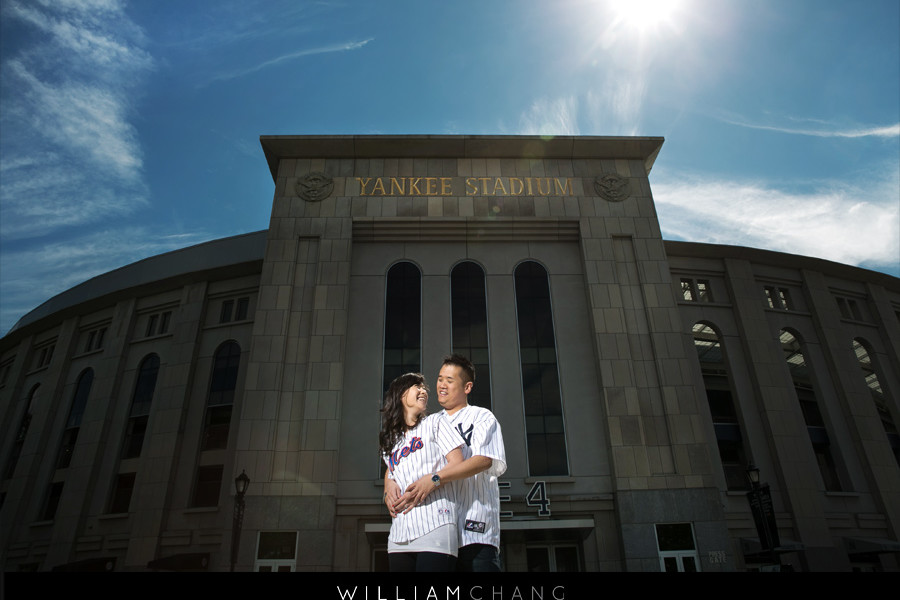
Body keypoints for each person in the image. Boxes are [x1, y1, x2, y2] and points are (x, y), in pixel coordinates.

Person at [386, 354, 507, 572]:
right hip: (434, 527)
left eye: (450, 380)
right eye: (440, 378)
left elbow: (483, 460)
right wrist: (388, 484)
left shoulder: (481, 417)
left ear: (467, 387)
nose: (442, 385)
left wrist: (435, 478)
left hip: (473, 528)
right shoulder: (428, 423)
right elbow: (400, 460)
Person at [379, 372, 463, 571]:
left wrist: (433, 479)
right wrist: (387, 488)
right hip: (400, 533)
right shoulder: (390, 440)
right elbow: (391, 472)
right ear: (400, 394)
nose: (423, 390)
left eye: (424, 387)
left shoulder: (436, 423)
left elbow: (458, 463)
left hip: (436, 524)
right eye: (417, 386)